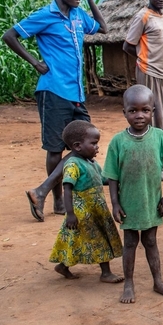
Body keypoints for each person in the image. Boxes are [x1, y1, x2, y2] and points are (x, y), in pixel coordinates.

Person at [4, 0, 107, 221]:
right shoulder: (45, 16)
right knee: (54, 148)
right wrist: (35, 63)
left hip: (76, 93)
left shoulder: (79, 15)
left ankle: (41, 190)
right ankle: (58, 200)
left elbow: (103, 29)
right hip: (53, 90)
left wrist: (92, 1)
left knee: (84, 143)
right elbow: (10, 36)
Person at [103, 85, 163, 304]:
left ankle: (158, 281)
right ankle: (128, 283)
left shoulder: (160, 137)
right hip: (129, 203)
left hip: (152, 201)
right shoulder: (118, 141)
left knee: (151, 241)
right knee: (130, 243)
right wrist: (115, 203)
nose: (139, 115)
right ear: (124, 112)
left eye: (145, 110)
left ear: (153, 110)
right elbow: (112, 176)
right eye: (133, 111)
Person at [49, 120, 123, 283]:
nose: (97, 147)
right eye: (94, 143)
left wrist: (118, 181)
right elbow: (67, 188)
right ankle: (105, 273)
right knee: (99, 240)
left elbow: (102, 179)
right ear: (77, 146)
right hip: (83, 213)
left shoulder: (91, 162)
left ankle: (63, 266)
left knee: (77, 241)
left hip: (96, 210)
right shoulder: (73, 165)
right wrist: (70, 214)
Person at [123, 0, 163, 130]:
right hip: (149, 72)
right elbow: (127, 46)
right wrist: (143, 61)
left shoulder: (162, 17)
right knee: (152, 115)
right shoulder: (143, 16)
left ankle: (160, 147)